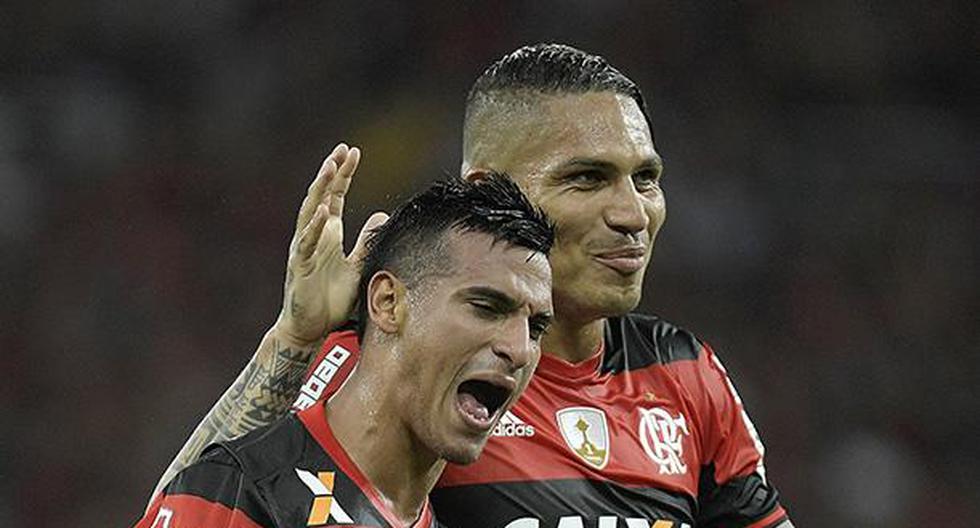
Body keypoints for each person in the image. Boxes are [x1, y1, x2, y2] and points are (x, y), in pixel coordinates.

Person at [148, 44, 794, 527]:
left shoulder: (683, 374)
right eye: (588, 179)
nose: (632, 214)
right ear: (490, 190)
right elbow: (202, 504)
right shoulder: (411, 363)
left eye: (645, 178)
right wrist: (294, 341)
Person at [134, 166, 555, 527]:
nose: (518, 350)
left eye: (536, 327)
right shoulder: (246, 494)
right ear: (388, 303)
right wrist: (296, 338)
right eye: (486, 307)